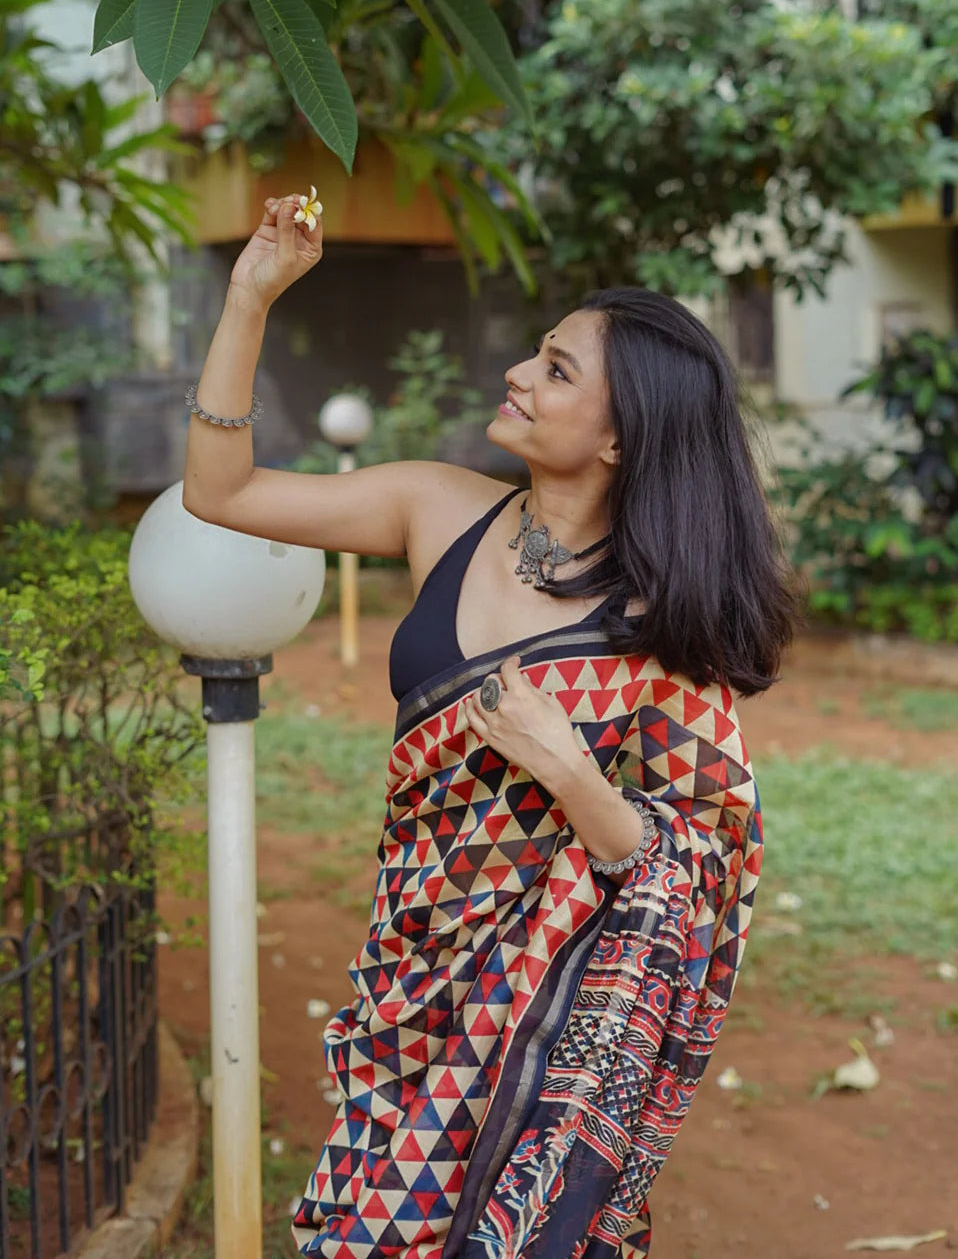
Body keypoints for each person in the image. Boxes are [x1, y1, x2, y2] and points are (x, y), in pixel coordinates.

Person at [182, 192, 799, 1259]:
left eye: (556, 369)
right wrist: (250, 298)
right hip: (408, 972)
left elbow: (706, 871)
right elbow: (219, 490)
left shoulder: (663, 632)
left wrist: (572, 774)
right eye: (537, 353)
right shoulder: (439, 511)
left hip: (538, 1025)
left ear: (619, 437)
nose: (517, 371)